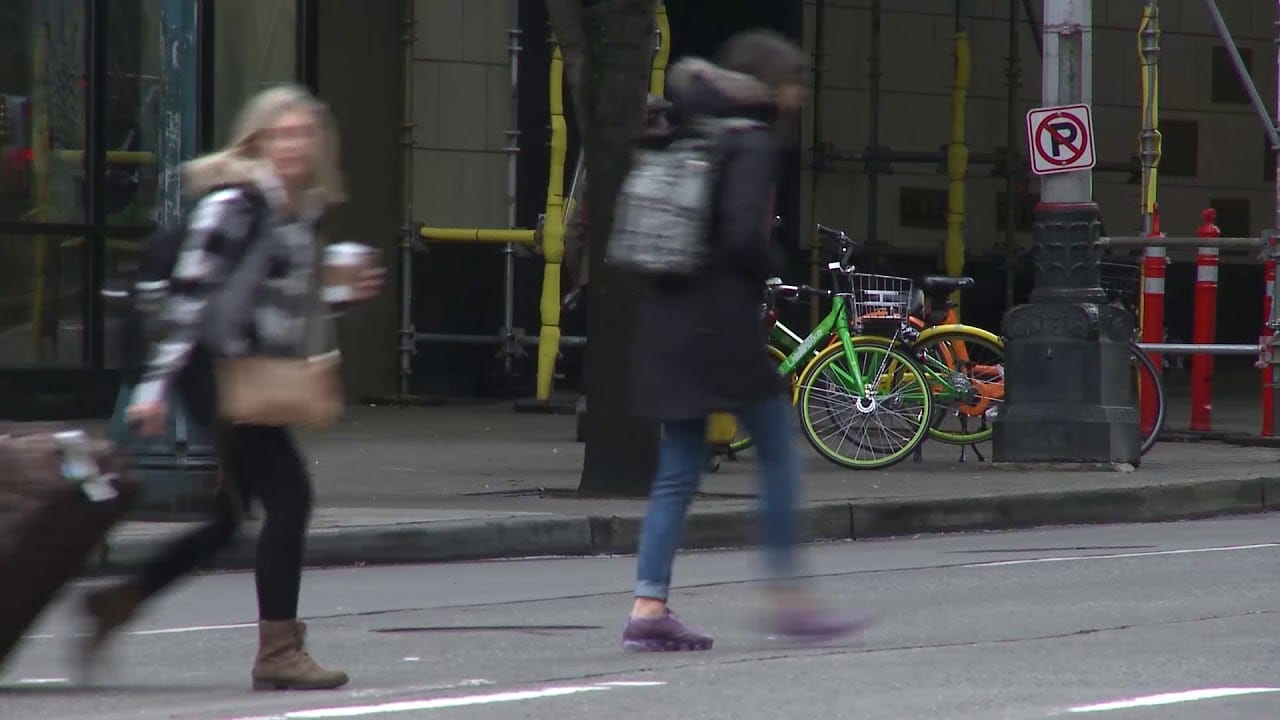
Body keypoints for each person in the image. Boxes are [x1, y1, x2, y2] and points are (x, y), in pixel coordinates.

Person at [81, 84, 383, 690]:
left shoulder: (298, 212)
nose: (293, 145)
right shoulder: (237, 205)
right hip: (211, 368)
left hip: (244, 370)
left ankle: (118, 601)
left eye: (304, 134)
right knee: (290, 497)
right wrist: (154, 388)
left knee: (228, 519)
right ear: (257, 142)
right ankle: (278, 651)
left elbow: (283, 309)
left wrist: (342, 294)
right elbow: (187, 300)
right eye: (281, 135)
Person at [622, 31, 873, 652]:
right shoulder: (752, 141)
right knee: (779, 450)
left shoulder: (689, 130)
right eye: (795, 81)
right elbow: (739, 235)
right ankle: (790, 600)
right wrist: (772, 264)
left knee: (679, 466)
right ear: (770, 85)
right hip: (720, 326)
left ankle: (649, 607)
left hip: (665, 319)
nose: (800, 95)